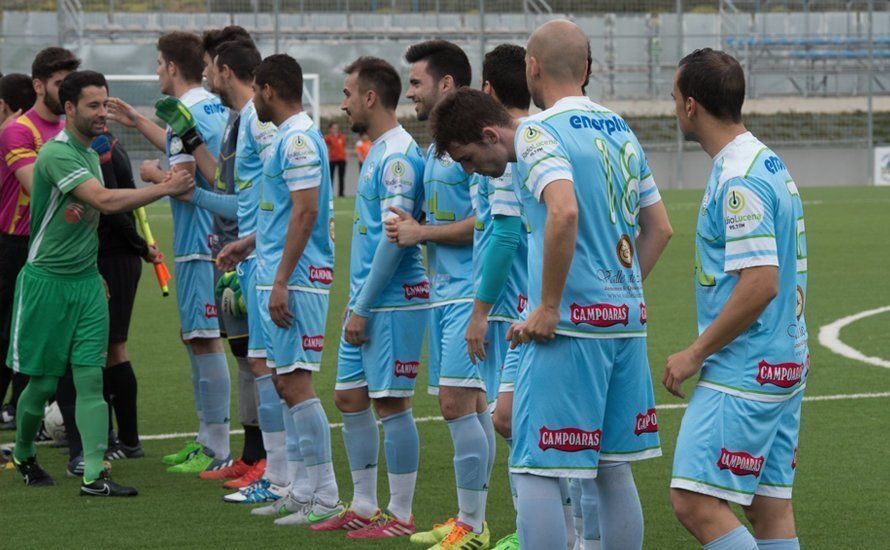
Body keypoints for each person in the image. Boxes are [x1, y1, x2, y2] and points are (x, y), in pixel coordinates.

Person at [428, 19, 673, 549]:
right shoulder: (620, 129)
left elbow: (563, 212)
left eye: (471, 161)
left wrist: (550, 305)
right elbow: (661, 228)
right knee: (611, 468)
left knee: (535, 469)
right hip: (624, 328)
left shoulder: (540, 132)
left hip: (570, 334)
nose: (477, 171)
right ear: (585, 68)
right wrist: (622, 292)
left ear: (531, 68)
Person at [10, 69, 194, 496]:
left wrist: (93, 272)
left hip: (87, 284)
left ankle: (94, 475)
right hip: (47, 284)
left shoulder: (92, 151)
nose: (102, 113)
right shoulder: (57, 154)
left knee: (92, 377)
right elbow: (104, 202)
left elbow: (89, 224)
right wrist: (166, 186)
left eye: (105, 104)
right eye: (93, 105)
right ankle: (23, 452)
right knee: (40, 384)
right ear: (69, 108)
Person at [663, 48, 808, 550]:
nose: (674, 106)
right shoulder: (765, 161)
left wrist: (694, 353)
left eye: (675, 96)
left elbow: (761, 282)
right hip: (782, 362)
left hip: (746, 370)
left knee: (694, 500)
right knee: (767, 508)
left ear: (691, 106)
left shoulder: (738, 178)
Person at [310, 56, 428, 539]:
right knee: (349, 396)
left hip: (395, 300)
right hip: (369, 299)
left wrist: (362, 304)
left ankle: (399, 514)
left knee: (391, 404)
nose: (343, 103)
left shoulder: (399, 155)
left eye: (347, 93)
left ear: (371, 97)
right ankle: (361, 503)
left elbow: (395, 237)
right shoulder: (377, 149)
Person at [107, 31, 232, 474]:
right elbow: (194, 154)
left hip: (200, 240)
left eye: (159, 63)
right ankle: (207, 439)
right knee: (198, 337)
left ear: (173, 67)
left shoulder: (186, 112)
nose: (157, 70)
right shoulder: (210, 106)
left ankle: (216, 447)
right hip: (216, 236)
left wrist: (152, 176)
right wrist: (138, 122)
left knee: (204, 339)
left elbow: (183, 185)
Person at [386, 39, 492, 549]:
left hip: (471, 295)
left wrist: (421, 233)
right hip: (443, 293)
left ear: (446, 84)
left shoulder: (475, 142)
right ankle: (472, 520)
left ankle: (472, 526)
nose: (411, 93)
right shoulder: (433, 147)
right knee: (470, 405)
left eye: (417, 83)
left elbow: (486, 223)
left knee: (455, 404)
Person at [249, 52, 341, 524]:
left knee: (296, 383)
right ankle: (304, 488)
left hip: (298, 280)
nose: (253, 101)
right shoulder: (289, 137)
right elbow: (285, 212)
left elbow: (306, 213)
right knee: (284, 382)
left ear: (268, 89)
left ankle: (325, 495)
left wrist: (282, 279)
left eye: (255, 91)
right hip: (279, 275)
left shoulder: (300, 139)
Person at [462, 43, 534, 550]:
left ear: (489, 89)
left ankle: (539, 531)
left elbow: (506, 235)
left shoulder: (511, 148)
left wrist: (480, 310)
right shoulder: (531, 139)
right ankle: (534, 529)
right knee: (513, 419)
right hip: (520, 302)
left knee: (512, 419)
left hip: (514, 305)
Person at [57, 129, 160, 477]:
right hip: (108, 258)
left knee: (108, 349)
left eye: (102, 105)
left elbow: (116, 209)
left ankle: (120, 440)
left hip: (113, 259)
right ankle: (119, 439)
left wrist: (140, 248)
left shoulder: (103, 149)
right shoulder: (93, 147)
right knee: (105, 348)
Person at [191, 26, 268, 485]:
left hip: (253, 258)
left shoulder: (255, 123)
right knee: (245, 357)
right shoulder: (237, 121)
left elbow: (244, 203)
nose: (205, 76)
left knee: (261, 362)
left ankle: (268, 462)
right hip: (233, 256)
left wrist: (188, 194)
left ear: (225, 70)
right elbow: (227, 186)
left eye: (208, 68)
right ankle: (252, 453)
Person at [0, 48, 80, 431]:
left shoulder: (71, 129)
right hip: (16, 246)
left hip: (59, 248)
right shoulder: (21, 130)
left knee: (59, 339)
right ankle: (18, 418)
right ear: (37, 86)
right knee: (11, 337)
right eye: (60, 83)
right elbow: (40, 190)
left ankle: (39, 420)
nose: (68, 91)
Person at [325, 122, 347, 197]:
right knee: (331, 177)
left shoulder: (342, 137)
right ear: (330, 129)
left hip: (342, 159)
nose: (335, 129)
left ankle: (341, 194)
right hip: (333, 159)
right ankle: (330, 193)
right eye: (333, 128)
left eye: (336, 128)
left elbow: (343, 146)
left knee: (341, 177)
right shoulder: (328, 137)